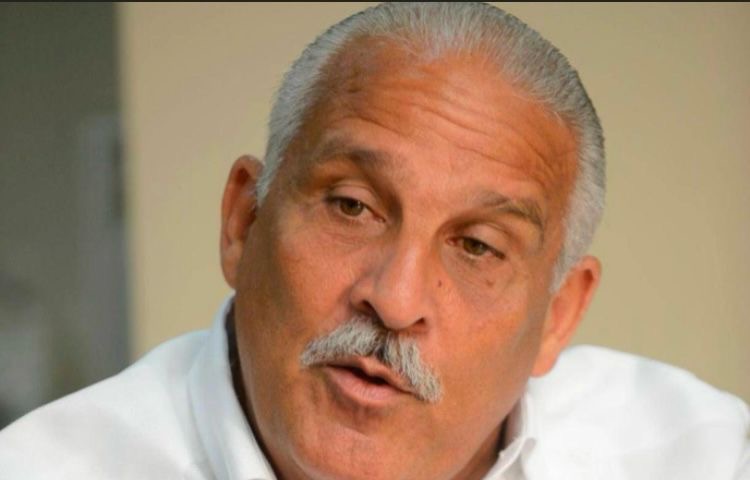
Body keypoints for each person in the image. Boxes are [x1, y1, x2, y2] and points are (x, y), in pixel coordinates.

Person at [0, 3, 747, 479]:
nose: (394, 300)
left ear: (558, 315)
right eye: (352, 206)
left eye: (477, 247)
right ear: (243, 222)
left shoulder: (704, 455)